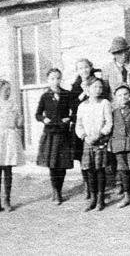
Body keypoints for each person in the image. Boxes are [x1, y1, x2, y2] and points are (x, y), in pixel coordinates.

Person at [102, 36, 130, 195]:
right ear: (113, 54)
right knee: (119, 147)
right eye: (117, 53)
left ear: (127, 51)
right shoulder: (107, 69)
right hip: (117, 111)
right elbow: (105, 90)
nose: (121, 55)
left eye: (123, 52)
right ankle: (122, 183)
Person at [0, 79, 26, 213]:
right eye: (5, 90)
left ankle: (7, 200)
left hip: (9, 136)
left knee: (8, 169)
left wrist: (21, 118)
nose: (8, 92)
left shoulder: (13, 104)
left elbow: (18, 123)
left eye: (9, 90)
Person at [35, 68, 74, 205]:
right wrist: (44, 119)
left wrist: (68, 119)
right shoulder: (45, 96)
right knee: (52, 164)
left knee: (62, 164)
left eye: (58, 78)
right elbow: (38, 114)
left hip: (63, 133)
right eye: (52, 78)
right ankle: (55, 191)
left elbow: (74, 111)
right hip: (51, 133)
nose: (55, 81)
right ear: (48, 80)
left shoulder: (66, 94)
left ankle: (60, 189)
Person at [75, 77, 113, 212]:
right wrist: (85, 137)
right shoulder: (82, 106)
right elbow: (78, 125)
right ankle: (93, 198)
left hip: (100, 141)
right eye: (95, 87)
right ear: (88, 89)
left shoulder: (105, 103)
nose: (98, 90)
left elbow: (109, 122)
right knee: (90, 171)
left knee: (100, 170)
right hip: (88, 142)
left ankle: (101, 198)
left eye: (100, 87)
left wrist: (100, 134)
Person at [70, 58, 101, 199]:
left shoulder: (97, 82)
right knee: (83, 157)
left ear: (91, 67)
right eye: (80, 68)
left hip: (96, 122)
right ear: (77, 71)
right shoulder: (76, 85)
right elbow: (72, 104)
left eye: (86, 67)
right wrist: (83, 92)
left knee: (99, 155)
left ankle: (99, 187)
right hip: (82, 123)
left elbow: (102, 97)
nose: (84, 70)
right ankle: (87, 185)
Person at [110, 84, 130, 208]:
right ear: (115, 97)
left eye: (125, 94)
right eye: (120, 95)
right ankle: (128, 196)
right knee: (123, 170)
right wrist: (111, 143)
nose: (123, 97)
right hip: (118, 144)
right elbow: (113, 128)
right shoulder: (114, 112)